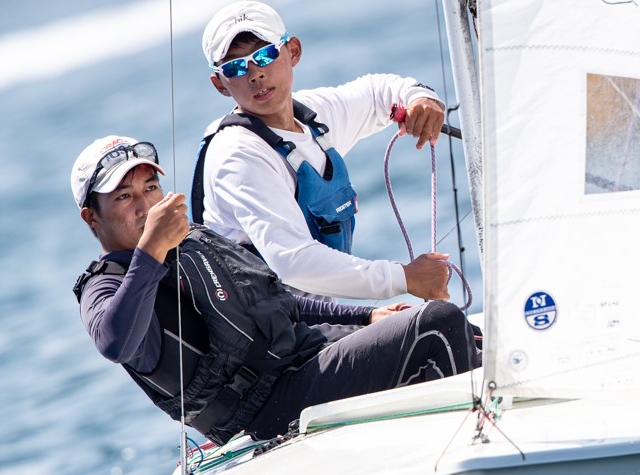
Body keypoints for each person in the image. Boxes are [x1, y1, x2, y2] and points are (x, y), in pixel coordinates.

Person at [71, 135, 479, 445]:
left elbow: (272, 299)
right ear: (92, 217)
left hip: (303, 361)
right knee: (437, 324)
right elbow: (115, 343)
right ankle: (473, 449)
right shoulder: (105, 285)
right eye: (124, 196)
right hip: (264, 409)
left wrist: (365, 315)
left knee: (469, 331)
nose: (144, 206)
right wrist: (151, 252)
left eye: (150, 188)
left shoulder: (190, 239)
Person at [194, 1, 452, 302]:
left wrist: (420, 98)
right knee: (440, 322)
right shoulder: (238, 155)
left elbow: (376, 93)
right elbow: (293, 262)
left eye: (264, 55)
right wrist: (403, 278)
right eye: (235, 67)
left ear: (293, 51)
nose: (255, 74)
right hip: (271, 331)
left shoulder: (312, 114)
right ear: (220, 84)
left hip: (318, 320)